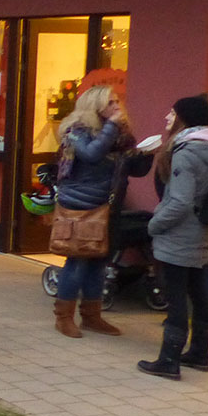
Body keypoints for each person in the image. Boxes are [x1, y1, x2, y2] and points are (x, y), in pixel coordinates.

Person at [139, 96, 208, 378]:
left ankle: (169, 360)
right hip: (204, 231)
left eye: (172, 112)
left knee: (176, 296)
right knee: (201, 295)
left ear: (184, 119)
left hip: (180, 234)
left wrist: (154, 225)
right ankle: (199, 353)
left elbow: (180, 201)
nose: (168, 116)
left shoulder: (186, 152)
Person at [50, 86, 148, 338]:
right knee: (78, 260)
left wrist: (146, 155)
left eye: (117, 101)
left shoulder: (117, 133)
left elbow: (134, 170)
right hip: (82, 206)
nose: (117, 106)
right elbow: (91, 155)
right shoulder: (77, 131)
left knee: (99, 261)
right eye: (110, 103)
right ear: (95, 107)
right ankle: (63, 318)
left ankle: (92, 317)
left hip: (110, 205)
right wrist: (113, 127)